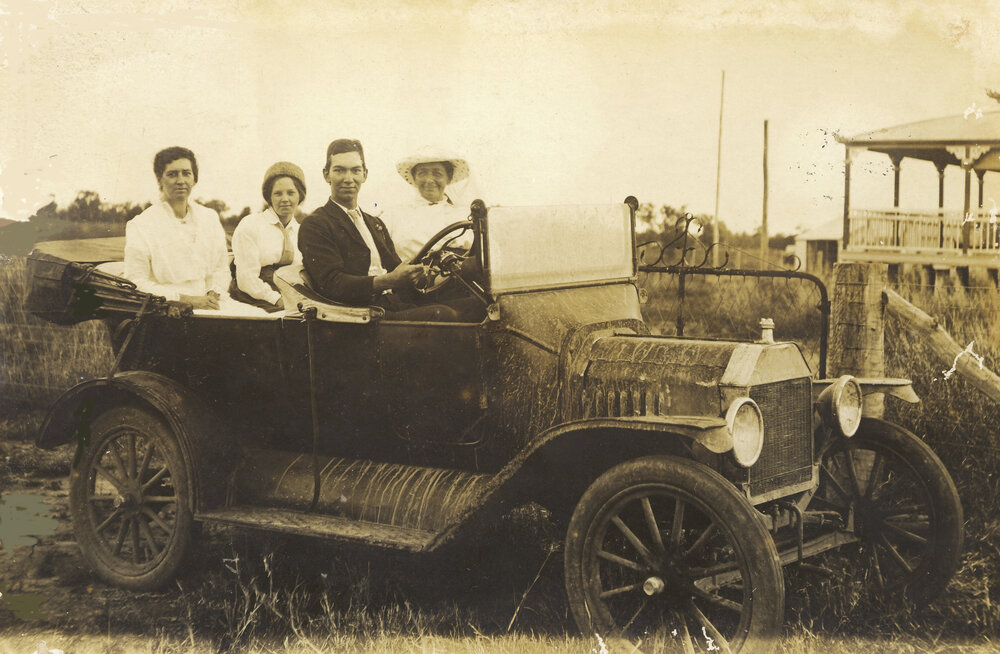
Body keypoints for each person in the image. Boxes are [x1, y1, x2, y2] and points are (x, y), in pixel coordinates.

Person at [298, 139, 462, 321]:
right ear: (326, 175)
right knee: (444, 315)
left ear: (364, 175)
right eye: (339, 170)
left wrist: (419, 274)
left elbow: (395, 268)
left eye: (355, 170)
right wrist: (390, 280)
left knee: (476, 306)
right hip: (360, 316)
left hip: (392, 305)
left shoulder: (374, 223)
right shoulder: (315, 224)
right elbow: (333, 284)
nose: (348, 178)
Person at [124, 146, 230, 310]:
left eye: (186, 173)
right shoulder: (141, 225)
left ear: (194, 179)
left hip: (212, 303)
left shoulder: (210, 218)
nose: (180, 180)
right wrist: (186, 300)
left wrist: (213, 292)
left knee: (262, 323)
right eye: (172, 174)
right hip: (165, 307)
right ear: (160, 180)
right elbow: (136, 282)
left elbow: (221, 268)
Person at [230, 161, 306, 311]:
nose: (285, 199)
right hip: (254, 297)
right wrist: (278, 299)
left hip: (291, 295)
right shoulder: (251, 225)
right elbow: (246, 280)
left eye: (291, 193)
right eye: (278, 193)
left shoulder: (302, 231)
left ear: (300, 196)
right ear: (269, 197)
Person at [380, 146, 471, 262]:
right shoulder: (393, 215)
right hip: (408, 279)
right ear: (414, 178)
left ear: (448, 178)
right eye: (422, 173)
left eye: (437, 174)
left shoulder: (464, 214)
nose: (429, 180)